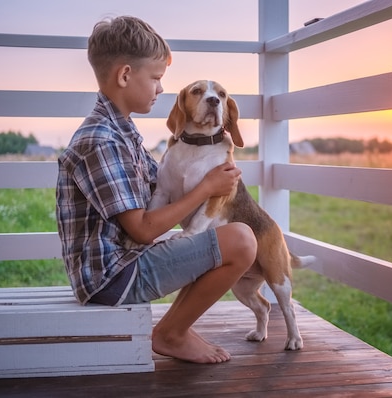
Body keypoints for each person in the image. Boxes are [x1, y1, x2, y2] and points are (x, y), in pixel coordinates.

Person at [56, 15, 257, 364]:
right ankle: (172, 333)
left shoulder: (123, 132)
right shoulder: (102, 140)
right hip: (112, 277)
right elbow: (143, 229)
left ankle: (176, 326)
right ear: (124, 75)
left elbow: (163, 187)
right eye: (156, 78)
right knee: (241, 240)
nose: (162, 89)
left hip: (123, 262)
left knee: (234, 233)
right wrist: (208, 186)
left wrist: (207, 154)